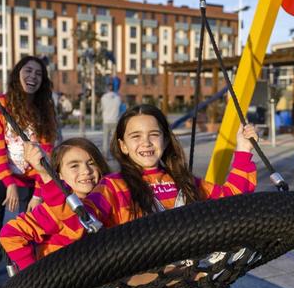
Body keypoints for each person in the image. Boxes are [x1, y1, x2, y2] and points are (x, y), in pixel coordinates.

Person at [27, 104, 258, 243]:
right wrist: (47, 177)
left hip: (187, 267)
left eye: (154, 135)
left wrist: (244, 150)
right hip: (140, 275)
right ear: (123, 145)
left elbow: (234, 198)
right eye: (135, 136)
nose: (146, 143)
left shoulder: (184, 181)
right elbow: (80, 220)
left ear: (165, 141)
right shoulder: (112, 186)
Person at [0, 56, 59, 282]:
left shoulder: (44, 111)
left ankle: (27, 266)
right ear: (17, 74)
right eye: (28, 71)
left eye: (38, 74)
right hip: (1, 173)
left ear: (42, 81)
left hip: (29, 178)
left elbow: (45, 154)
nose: (32, 76)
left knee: (31, 223)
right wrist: (8, 183)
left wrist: (39, 193)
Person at [0, 138, 110, 270]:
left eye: (92, 163)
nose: (86, 171)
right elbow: (10, 233)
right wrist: (33, 275)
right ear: (59, 174)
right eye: (74, 165)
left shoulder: (107, 196)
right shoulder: (53, 210)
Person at [100, 84, 122, 159]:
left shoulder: (103, 98)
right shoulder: (118, 98)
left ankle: (105, 155)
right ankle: (115, 154)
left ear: (107, 89)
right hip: (115, 120)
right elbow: (119, 108)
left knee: (105, 139)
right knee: (114, 140)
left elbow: (102, 108)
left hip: (106, 120)